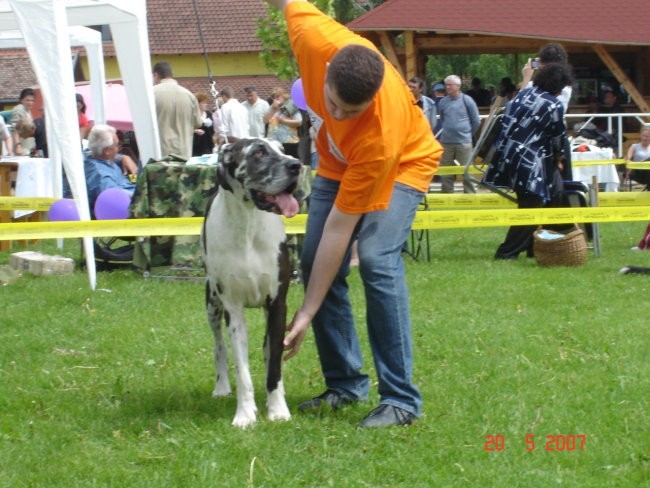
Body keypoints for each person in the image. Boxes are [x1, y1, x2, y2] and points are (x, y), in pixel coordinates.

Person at [272, 0, 443, 428]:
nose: (340, 115)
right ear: (325, 72)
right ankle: (345, 383)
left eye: (353, 111)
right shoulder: (314, 37)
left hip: (405, 161)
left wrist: (307, 312)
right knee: (313, 262)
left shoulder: (380, 133)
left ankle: (401, 400)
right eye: (335, 104)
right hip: (336, 161)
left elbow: (339, 230)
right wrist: (311, 297)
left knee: (376, 259)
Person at [483, 63, 573, 260]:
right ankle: (507, 252)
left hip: (508, 157)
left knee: (537, 201)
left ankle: (534, 248)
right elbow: (559, 137)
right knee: (531, 207)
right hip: (530, 162)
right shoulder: (553, 104)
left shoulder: (524, 94)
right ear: (558, 86)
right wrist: (560, 159)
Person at [437, 74, 480, 193]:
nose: (447, 87)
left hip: (464, 142)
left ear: (458, 86)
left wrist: (467, 133)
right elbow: (442, 118)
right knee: (446, 171)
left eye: (450, 85)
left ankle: (470, 195)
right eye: (446, 85)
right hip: (446, 142)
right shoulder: (442, 102)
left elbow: (476, 120)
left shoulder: (467, 100)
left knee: (467, 171)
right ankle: (446, 195)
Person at [152, 61, 202, 161]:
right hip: (184, 154)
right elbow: (198, 123)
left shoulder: (152, 93)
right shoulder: (189, 95)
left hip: (161, 155)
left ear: (156, 75)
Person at [84, 124, 139, 209]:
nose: (119, 148)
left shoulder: (101, 158)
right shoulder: (100, 174)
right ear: (107, 150)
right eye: (117, 145)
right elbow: (114, 198)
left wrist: (123, 157)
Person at [264, 87, 303, 158]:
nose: (275, 99)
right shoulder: (272, 107)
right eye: (273, 97)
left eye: (277, 96)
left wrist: (284, 121)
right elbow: (265, 120)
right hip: (273, 142)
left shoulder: (291, 106)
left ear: (283, 96)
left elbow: (299, 122)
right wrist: (273, 109)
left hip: (289, 142)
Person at [10, 88, 35, 156]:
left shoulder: (28, 111)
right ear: (21, 100)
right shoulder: (18, 110)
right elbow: (14, 130)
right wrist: (18, 146)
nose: (30, 102)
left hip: (28, 149)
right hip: (22, 151)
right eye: (27, 100)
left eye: (32, 100)